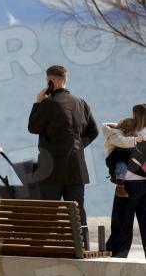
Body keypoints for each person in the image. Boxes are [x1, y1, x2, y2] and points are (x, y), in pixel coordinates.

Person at [28, 65, 98, 245]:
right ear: (65, 80)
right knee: (78, 214)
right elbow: (94, 132)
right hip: (76, 169)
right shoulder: (81, 103)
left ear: (51, 81)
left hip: (51, 170)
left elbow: (33, 127)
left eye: (47, 81)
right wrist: (77, 146)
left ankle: (42, 249)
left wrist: (38, 103)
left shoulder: (48, 103)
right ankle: (83, 248)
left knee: (47, 214)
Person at [104, 104, 146, 257]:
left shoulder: (124, 133)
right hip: (143, 184)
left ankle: (117, 258)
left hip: (126, 186)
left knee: (122, 225)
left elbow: (106, 128)